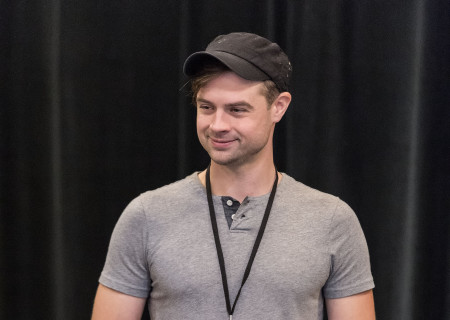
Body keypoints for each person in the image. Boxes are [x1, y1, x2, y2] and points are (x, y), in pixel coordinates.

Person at [92, 32, 375, 320]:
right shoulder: (146, 216)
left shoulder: (332, 220)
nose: (217, 125)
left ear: (278, 106)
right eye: (206, 108)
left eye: (237, 110)